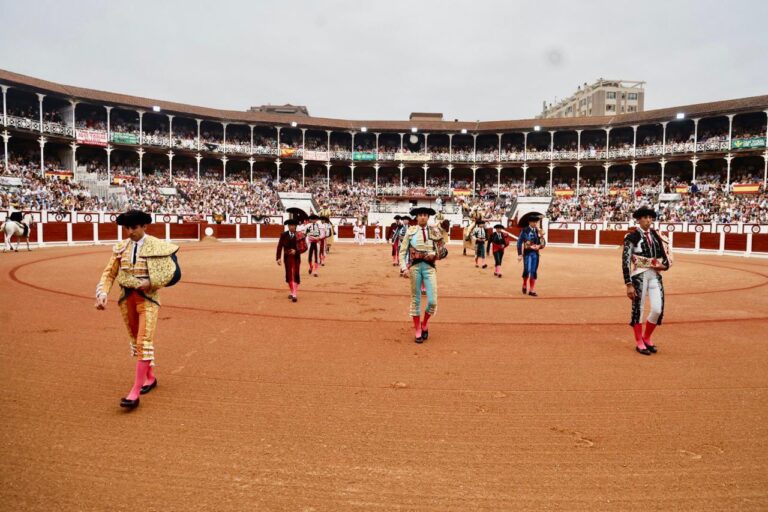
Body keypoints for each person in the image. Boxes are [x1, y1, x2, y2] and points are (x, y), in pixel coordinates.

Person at [95, 209, 181, 410]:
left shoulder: (157, 246)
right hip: (127, 300)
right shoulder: (121, 248)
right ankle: (150, 378)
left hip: (148, 299)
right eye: (127, 228)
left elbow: (173, 274)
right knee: (136, 341)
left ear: (144, 226)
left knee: (144, 342)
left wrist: (151, 282)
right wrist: (102, 292)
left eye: (134, 227)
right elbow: (109, 273)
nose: (129, 232)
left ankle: (134, 392)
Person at [622, 206, 673, 355]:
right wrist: (628, 284)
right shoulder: (631, 237)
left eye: (650, 218)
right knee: (639, 309)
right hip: (639, 275)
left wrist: (665, 265)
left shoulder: (657, 236)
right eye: (645, 217)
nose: (648, 220)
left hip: (655, 275)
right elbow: (625, 261)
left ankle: (646, 337)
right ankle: (639, 342)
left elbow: (666, 254)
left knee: (657, 309)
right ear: (639, 220)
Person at [399, 207, 447, 343]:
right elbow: (402, 252)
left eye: (425, 215)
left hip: (429, 268)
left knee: (432, 301)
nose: (423, 217)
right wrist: (404, 268)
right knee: (416, 300)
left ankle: (424, 323)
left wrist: (434, 254)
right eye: (420, 215)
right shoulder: (411, 231)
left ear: (428, 217)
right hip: (414, 268)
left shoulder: (435, 231)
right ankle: (417, 329)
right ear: (416, 217)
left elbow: (442, 252)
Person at [276, 218, 308, 302]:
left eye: (293, 225)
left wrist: (296, 251)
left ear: (295, 226)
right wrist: (278, 258)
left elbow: (304, 247)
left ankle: (294, 294)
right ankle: (292, 291)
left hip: (296, 257)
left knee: (295, 274)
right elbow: (279, 246)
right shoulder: (283, 235)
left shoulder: (299, 235)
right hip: (287, 257)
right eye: (289, 225)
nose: (291, 227)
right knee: (289, 274)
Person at [516, 212, 546, 296]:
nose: (535, 223)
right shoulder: (524, 230)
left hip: (535, 254)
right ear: (529, 222)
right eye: (533, 222)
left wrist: (539, 246)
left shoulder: (538, 231)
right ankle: (524, 283)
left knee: (533, 271)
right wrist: (519, 254)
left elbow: (543, 243)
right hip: (527, 253)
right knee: (527, 270)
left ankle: (531, 290)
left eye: (536, 222)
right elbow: (519, 242)